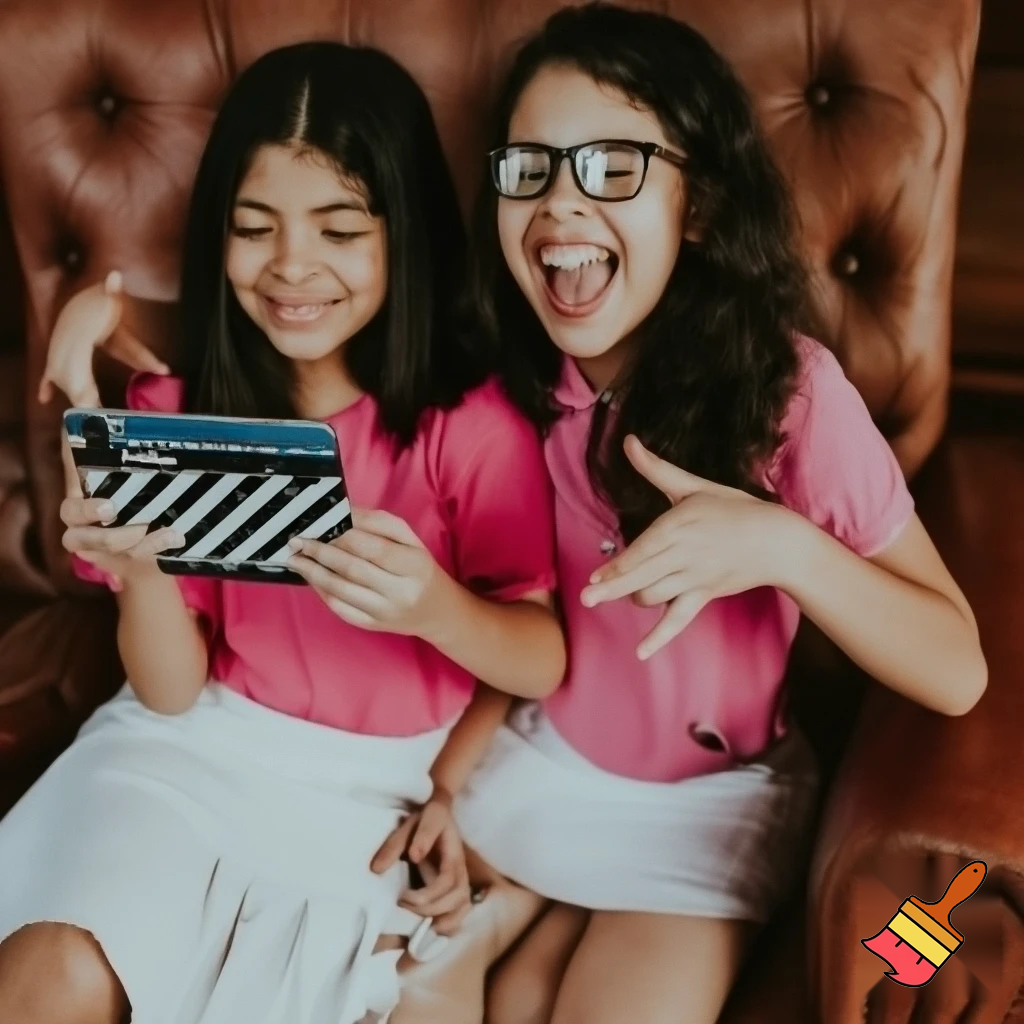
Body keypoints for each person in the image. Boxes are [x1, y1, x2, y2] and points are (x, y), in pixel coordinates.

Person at [0, 41, 564, 1024]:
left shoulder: (468, 428)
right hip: (179, 756)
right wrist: (140, 570)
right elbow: (172, 691)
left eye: (340, 230)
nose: (291, 267)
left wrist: (434, 606)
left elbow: (543, 654)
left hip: (369, 796)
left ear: (405, 238)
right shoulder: (178, 411)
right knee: (55, 969)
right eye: (252, 228)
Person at [446, 5, 988, 1023]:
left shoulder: (789, 394)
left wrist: (779, 542)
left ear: (695, 207)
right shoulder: (510, 381)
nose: (561, 206)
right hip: (545, 763)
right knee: (490, 998)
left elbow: (956, 669)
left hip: (706, 801)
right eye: (531, 168)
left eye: (611, 167)